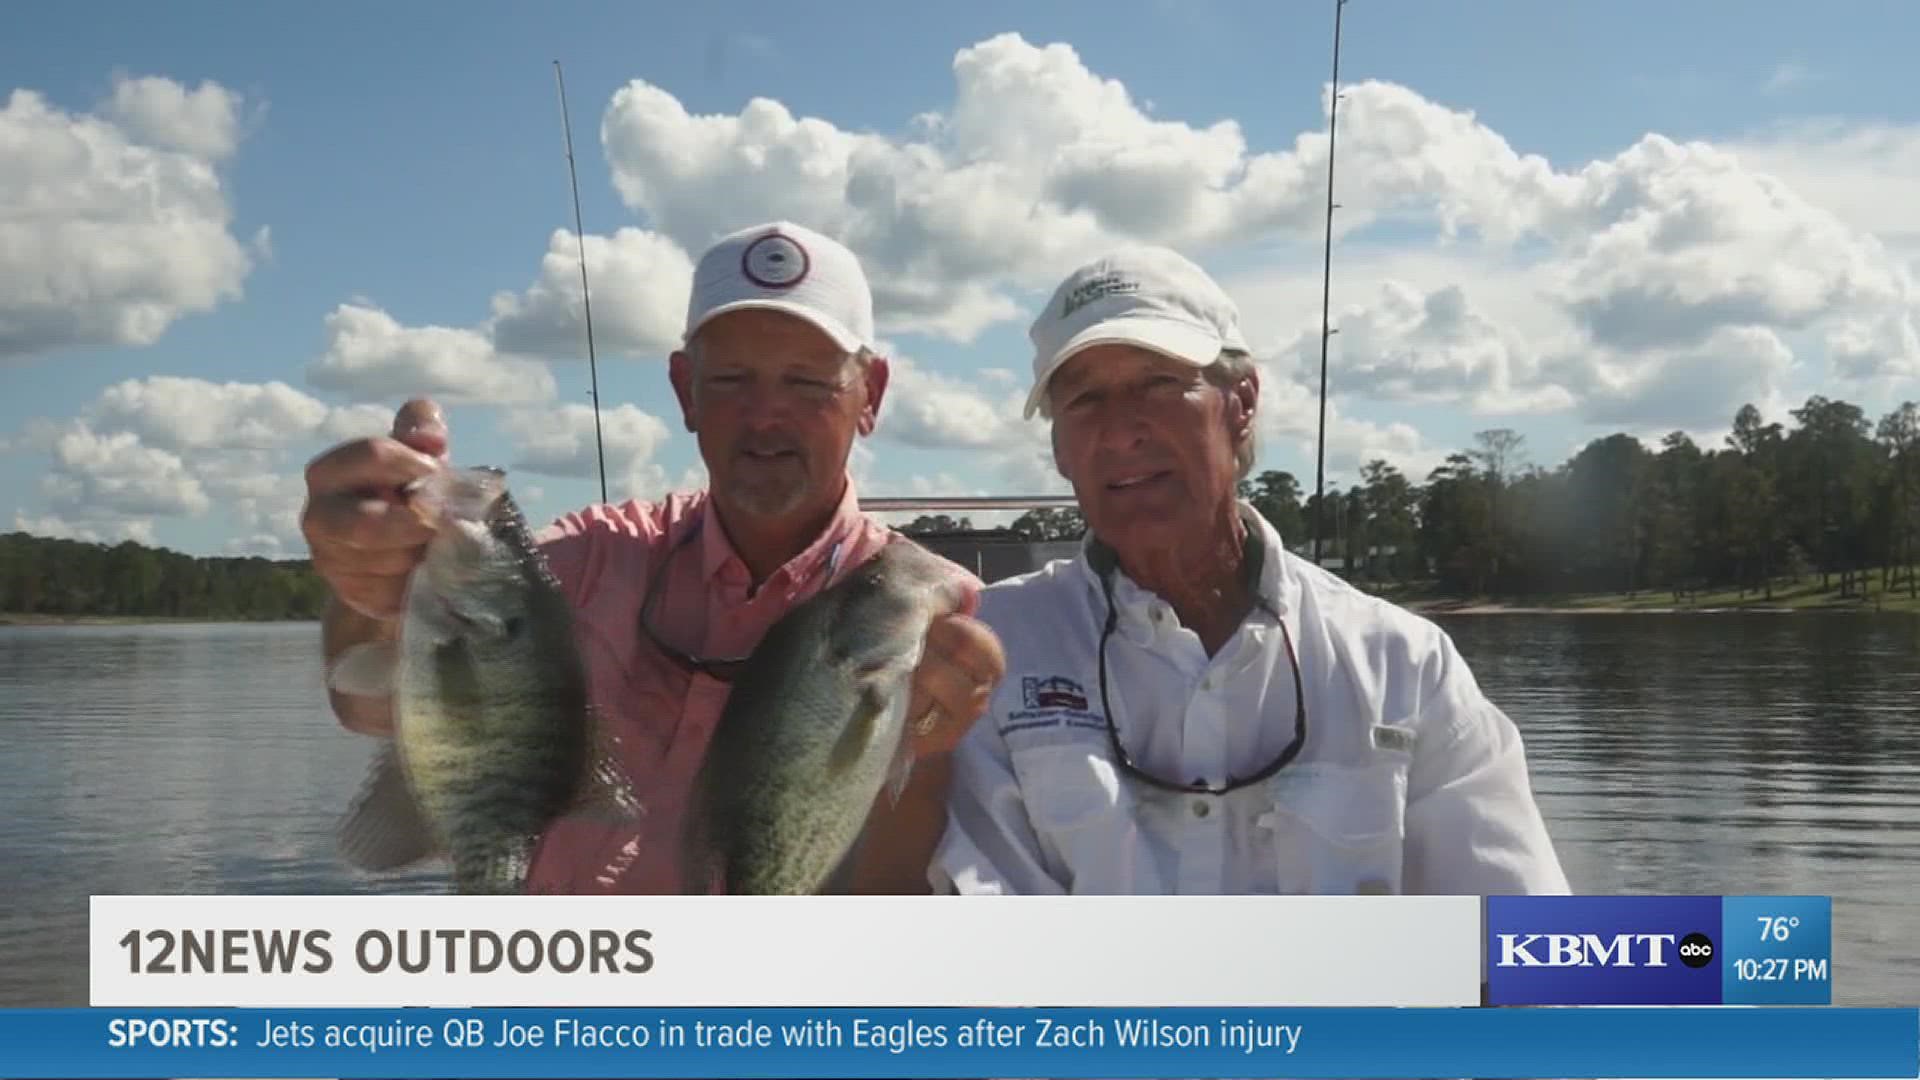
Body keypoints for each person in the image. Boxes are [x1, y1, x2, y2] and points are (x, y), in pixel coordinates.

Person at [301, 220, 1006, 894]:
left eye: (807, 382)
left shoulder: (940, 622)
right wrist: (375, 581)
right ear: (684, 390)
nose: (766, 415)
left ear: (871, 395)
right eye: (731, 379)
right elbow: (362, 702)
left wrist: (922, 748)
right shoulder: (582, 562)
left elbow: (897, 902)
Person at [929, 244, 1569, 897]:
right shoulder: (987, 657)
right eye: (1085, 400)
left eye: (1158, 383)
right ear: (1060, 448)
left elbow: (1535, 955)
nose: (1121, 431)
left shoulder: (1404, 664)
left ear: (1242, 403)